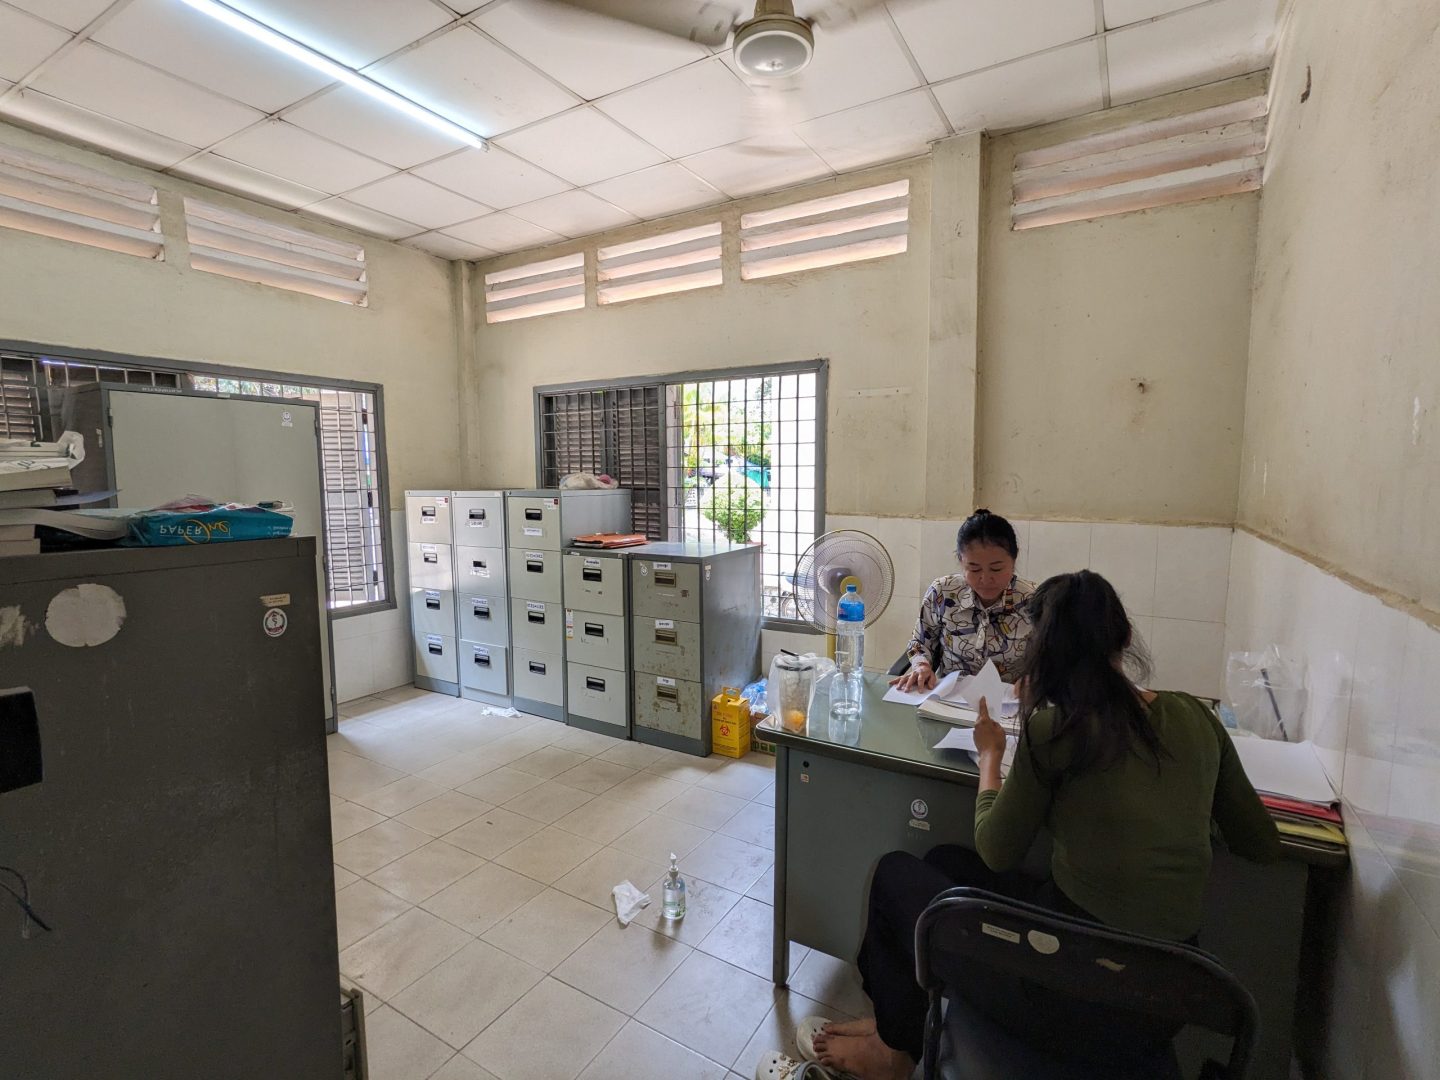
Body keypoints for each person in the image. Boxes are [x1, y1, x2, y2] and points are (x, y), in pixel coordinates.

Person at [782, 570, 1282, 1080]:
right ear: (1125, 638)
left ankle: (892, 1055)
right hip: (1169, 996)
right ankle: (899, 1023)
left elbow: (998, 849)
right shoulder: (1195, 716)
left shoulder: (1057, 727)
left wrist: (991, 758)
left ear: (1042, 648)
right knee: (945, 863)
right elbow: (1260, 843)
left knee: (894, 876)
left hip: (1068, 991)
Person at [890, 509, 1034, 694]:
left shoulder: (1033, 601)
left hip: (1009, 704)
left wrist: (1034, 680)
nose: (985, 579)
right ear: (960, 561)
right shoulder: (944, 593)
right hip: (949, 698)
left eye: (996, 569)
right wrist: (921, 666)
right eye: (974, 569)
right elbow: (919, 643)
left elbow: (1051, 657)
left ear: (1014, 560)